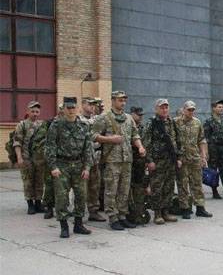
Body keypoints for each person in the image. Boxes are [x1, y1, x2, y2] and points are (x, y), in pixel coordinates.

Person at [92, 91, 145, 230]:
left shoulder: (128, 118)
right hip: (111, 160)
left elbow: (135, 135)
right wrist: (110, 139)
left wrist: (140, 147)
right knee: (111, 189)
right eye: (120, 100)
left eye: (124, 100)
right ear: (113, 100)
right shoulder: (104, 118)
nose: (123, 103)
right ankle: (113, 217)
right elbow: (93, 135)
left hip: (127, 159)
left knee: (124, 190)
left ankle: (122, 215)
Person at [45, 97, 93, 238]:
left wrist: (87, 167)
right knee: (61, 197)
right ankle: (64, 226)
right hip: (62, 165)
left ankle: (78, 224)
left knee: (81, 195)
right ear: (63, 109)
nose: (71, 110)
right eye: (68, 108)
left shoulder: (84, 126)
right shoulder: (56, 125)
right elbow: (50, 147)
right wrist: (53, 166)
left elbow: (88, 149)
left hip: (79, 165)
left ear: (77, 108)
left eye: (73, 108)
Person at [143, 99, 182, 225]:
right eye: (162, 108)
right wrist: (149, 161)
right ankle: (158, 213)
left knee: (169, 187)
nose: (164, 110)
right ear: (156, 109)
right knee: (157, 188)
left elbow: (177, 141)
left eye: (166, 107)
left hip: (170, 160)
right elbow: (146, 143)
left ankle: (166, 211)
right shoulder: (152, 123)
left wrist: (179, 158)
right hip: (157, 161)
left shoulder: (172, 122)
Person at [175, 100, 212, 219]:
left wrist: (203, 155)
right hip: (182, 158)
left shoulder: (197, 123)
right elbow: (173, 141)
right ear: (183, 110)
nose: (191, 112)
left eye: (193, 110)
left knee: (197, 183)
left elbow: (201, 139)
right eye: (189, 109)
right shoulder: (175, 122)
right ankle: (185, 208)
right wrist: (177, 157)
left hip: (195, 157)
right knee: (183, 184)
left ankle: (200, 208)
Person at [13, 101, 46, 215]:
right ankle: (30, 204)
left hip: (40, 159)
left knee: (39, 181)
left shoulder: (42, 125)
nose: (35, 113)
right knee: (28, 181)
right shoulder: (22, 125)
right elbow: (17, 142)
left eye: (37, 111)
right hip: (26, 158)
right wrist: (19, 158)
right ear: (27, 111)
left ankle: (38, 203)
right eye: (32, 111)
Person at [129, 106, 150, 224]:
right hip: (128, 161)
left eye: (142, 115)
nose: (140, 117)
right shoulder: (127, 126)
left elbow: (146, 144)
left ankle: (138, 212)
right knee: (127, 189)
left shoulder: (143, 128)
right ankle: (128, 212)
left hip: (140, 163)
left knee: (139, 187)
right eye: (138, 115)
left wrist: (147, 160)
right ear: (132, 114)